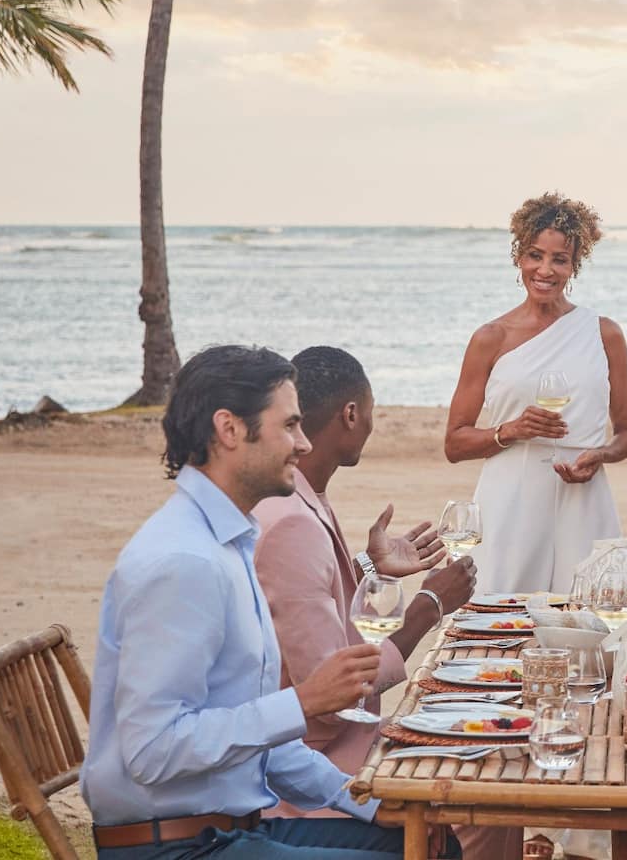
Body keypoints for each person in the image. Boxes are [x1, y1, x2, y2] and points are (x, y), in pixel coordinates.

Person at [82, 345, 414, 858]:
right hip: (177, 845)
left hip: (229, 826)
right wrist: (302, 703)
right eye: (289, 426)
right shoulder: (183, 560)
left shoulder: (228, 541)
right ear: (230, 430)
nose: (303, 445)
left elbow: (261, 737)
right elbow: (151, 751)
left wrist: (369, 802)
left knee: (426, 838)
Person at [252, 347, 477, 811]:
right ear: (351, 414)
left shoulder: (301, 498)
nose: (372, 425)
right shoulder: (291, 520)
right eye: (371, 412)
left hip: (328, 750)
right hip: (318, 772)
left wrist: (368, 567)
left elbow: (305, 596)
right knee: (482, 803)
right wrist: (429, 606)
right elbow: (332, 699)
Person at [445, 193, 627, 593]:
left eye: (559, 259)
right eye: (535, 255)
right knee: (499, 622)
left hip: (584, 500)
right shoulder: (490, 338)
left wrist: (599, 455)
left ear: (574, 265)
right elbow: (455, 443)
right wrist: (510, 431)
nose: (545, 270)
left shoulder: (605, 334)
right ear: (519, 257)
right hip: (510, 500)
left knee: (592, 621)